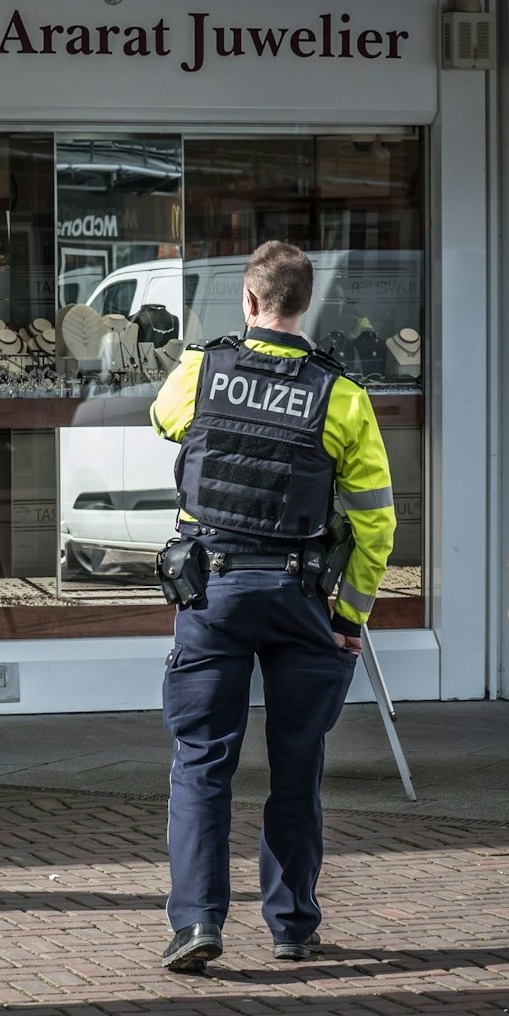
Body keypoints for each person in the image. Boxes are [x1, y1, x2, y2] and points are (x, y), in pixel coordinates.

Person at [147, 240, 395, 972]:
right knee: (297, 764)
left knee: (201, 760)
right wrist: (351, 616)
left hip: (213, 592)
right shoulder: (341, 394)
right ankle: (290, 925)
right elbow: (377, 520)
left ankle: (196, 922)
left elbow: (164, 421)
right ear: (305, 304)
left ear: (249, 301)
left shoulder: (202, 369)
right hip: (300, 599)